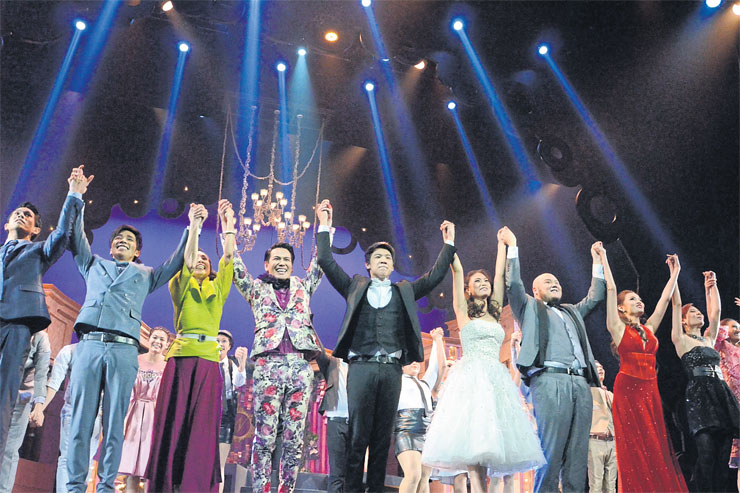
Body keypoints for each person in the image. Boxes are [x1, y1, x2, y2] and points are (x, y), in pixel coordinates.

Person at [316, 199, 456, 493]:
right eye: (377, 257)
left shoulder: (404, 291)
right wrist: (325, 225)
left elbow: (434, 277)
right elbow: (327, 262)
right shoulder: (354, 286)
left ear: (393, 266)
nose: (383, 260)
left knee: (382, 438)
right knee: (358, 435)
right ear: (367, 264)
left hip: (392, 370)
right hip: (362, 366)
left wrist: (449, 244)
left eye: (388, 258)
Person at [66, 165, 192, 493]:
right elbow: (74, 235)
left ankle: (106, 487)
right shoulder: (93, 264)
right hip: (90, 344)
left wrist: (192, 228)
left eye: (130, 240)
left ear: (137, 251)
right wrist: (75, 195)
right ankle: (75, 487)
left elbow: (176, 262)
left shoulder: (146, 274)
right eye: (118, 239)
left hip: (124, 350)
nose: (122, 241)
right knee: (80, 422)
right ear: (111, 248)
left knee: (114, 423)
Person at [424, 231, 545, 493]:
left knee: (495, 439)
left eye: (485, 280)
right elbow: (457, 270)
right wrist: (449, 242)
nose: (484, 283)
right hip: (471, 378)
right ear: (468, 289)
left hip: (496, 379)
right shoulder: (462, 311)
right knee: (474, 441)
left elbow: (500, 276)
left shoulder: (495, 311)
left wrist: (501, 245)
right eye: (477, 281)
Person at [502, 227, 604, 493]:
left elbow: (595, 297)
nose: (555, 283)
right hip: (549, 380)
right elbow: (513, 285)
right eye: (548, 282)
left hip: (579, 384)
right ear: (535, 291)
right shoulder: (528, 307)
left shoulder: (572, 311)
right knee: (552, 450)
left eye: (557, 281)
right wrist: (513, 246)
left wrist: (597, 261)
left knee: (577, 456)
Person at [146, 199, 235, 493]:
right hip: (181, 359)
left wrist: (228, 225)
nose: (201, 261)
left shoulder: (218, 289)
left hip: (208, 362)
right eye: (198, 257)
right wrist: (195, 226)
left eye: (206, 260)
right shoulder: (181, 285)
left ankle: (193, 486)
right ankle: (166, 483)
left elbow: (229, 257)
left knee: (202, 428)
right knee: (174, 422)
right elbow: (185, 261)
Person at [232, 230, 325, 493]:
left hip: (300, 367)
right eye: (276, 258)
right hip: (268, 365)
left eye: (286, 259)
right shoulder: (256, 289)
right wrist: (229, 231)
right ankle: (260, 488)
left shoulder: (303, 287)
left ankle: (287, 488)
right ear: (267, 264)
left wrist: (324, 227)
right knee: (265, 435)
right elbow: (236, 269)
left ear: (292, 265)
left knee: (294, 437)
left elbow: (320, 263)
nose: (282, 263)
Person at [0, 167, 83, 457]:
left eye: (28, 215)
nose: (21, 216)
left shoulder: (37, 251)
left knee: (3, 395)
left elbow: (61, 235)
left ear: (36, 230)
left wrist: (74, 194)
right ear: (7, 223)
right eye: (17, 213)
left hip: (16, 325)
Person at [597, 247, 687, 492]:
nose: (639, 301)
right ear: (621, 308)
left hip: (650, 391)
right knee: (636, 446)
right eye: (632, 299)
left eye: (639, 298)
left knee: (655, 444)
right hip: (629, 390)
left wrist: (675, 273)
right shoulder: (617, 328)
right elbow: (611, 289)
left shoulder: (649, 328)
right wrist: (603, 258)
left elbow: (665, 301)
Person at [672, 271, 739, 492]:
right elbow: (676, 305)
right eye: (693, 312)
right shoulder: (681, 339)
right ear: (683, 320)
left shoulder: (709, 338)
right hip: (700, 398)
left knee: (723, 456)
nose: (698, 313)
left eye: (699, 311)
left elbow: (716, 311)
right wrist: (674, 275)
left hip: (721, 393)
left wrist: (712, 285)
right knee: (707, 453)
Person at [42, 342, 103, 493]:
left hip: (95, 413)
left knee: (85, 460)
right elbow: (55, 381)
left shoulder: (105, 353)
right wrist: (40, 408)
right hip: (73, 409)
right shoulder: (69, 351)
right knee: (67, 458)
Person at [118, 327, 170, 493]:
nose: (157, 342)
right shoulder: (135, 360)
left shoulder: (168, 366)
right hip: (133, 414)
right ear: (149, 339)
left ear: (167, 345)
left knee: (150, 465)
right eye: (155, 337)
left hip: (154, 416)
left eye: (162, 339)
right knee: (131, 464)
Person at [395, 327, 445, 493]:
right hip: (407, 429)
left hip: (426, 430)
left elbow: (437, 368)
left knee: (424, 477)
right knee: (413, 475)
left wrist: (437, 341)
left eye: (416, 360)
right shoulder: (397, 382)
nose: (414, 362)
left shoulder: (424, 383)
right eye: (409, 360)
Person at [0, 330, 50, 492]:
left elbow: (41, 374)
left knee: (10, 450)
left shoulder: (41, 337)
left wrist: (39, 405)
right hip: (2, 390)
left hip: (22, 398)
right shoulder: (8, 325)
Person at [215, 329, 248, 493]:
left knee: (219, 463)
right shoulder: (206, 362)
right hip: (205, 415)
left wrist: (242, 363)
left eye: (224, 341)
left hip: (225, 418)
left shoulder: (230, 365)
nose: (220, 344)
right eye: (217, 340)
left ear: (229, 346)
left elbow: (239, 382)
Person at [316, 347, 349, 493]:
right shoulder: (333, 363)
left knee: (353, 472)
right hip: (336, 421)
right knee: (336, 473)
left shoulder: (361, 365)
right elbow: (319, 352)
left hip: (357, 423)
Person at [716, 318, 740, 489]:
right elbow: (714, 333)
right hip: (733, 405)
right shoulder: (721, 346)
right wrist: (722, 327)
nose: (738, 330)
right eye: (734, 327)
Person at [586, 361, 616, 493]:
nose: (600, 370)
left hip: (612, 441)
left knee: (611, 485)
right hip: (596, 441)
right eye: (596, 368)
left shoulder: (610, 394)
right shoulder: (587, 393)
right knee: (596, 484)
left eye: (602, 367)